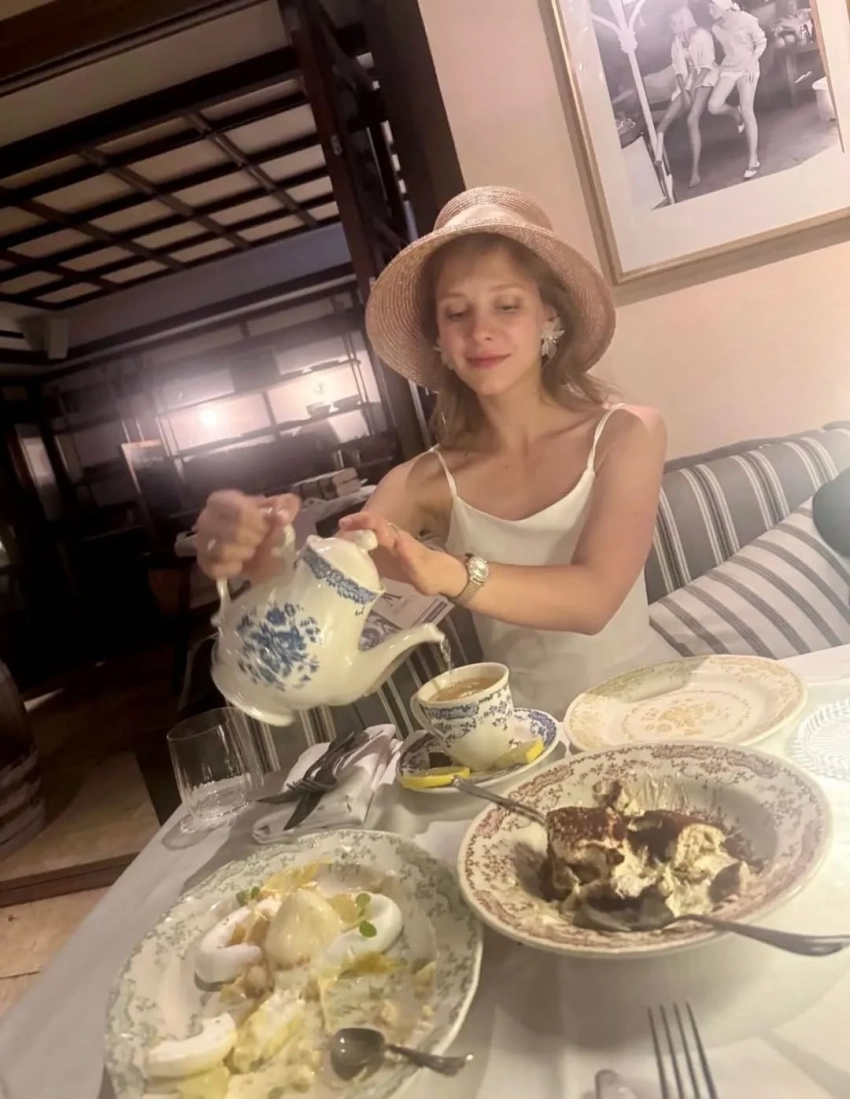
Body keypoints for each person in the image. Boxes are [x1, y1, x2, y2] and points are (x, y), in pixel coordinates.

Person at [195, 187, 676, 719]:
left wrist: (448, 572)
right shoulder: (419, 483)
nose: (481, 331)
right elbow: (316, 614)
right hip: (524, 737)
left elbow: (594, 600)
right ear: (439, 339)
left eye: (507, 305)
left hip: (652, 707)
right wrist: (258, 555)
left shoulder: (627, 432)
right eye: (456, 313)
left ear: (549, 316)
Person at [655, 5, 719, 188]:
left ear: (684, 20)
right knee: (664, 122)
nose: (672, 26)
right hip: (689, 81)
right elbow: (678, 71)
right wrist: (684, 92)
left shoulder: (703, 36)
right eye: (671, 23)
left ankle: (695, 172)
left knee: (692, 120)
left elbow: (706, 67)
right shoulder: (676, 42)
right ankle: (660, 163)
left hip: (707, 76)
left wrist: (691, 92)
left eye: (676, 22)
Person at [707, 0, 767, 180]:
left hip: (749, 66)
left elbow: (761, 43)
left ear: (722, 5)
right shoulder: (716, 28)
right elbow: (729, 50)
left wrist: (752, 63)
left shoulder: (746, 20)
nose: (709, 10)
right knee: (713, 106)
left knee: (748, 110)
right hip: (730, 68)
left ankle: (753, 160)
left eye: (711, 6)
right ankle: (735, 113)